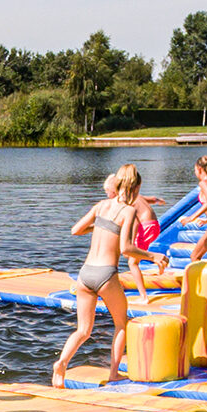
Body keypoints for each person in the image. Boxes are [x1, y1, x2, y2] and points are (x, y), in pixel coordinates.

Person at [53, 165, 168, 388]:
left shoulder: (101, 205)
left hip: (85, 274)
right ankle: (114, 373)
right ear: (136, 187)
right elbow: (126, 248)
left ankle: (62, 363)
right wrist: (153, 256)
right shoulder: (128, 211)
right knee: (121, 324)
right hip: (105, 274)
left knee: (83, 330)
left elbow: (76, 230)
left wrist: (101, 227)